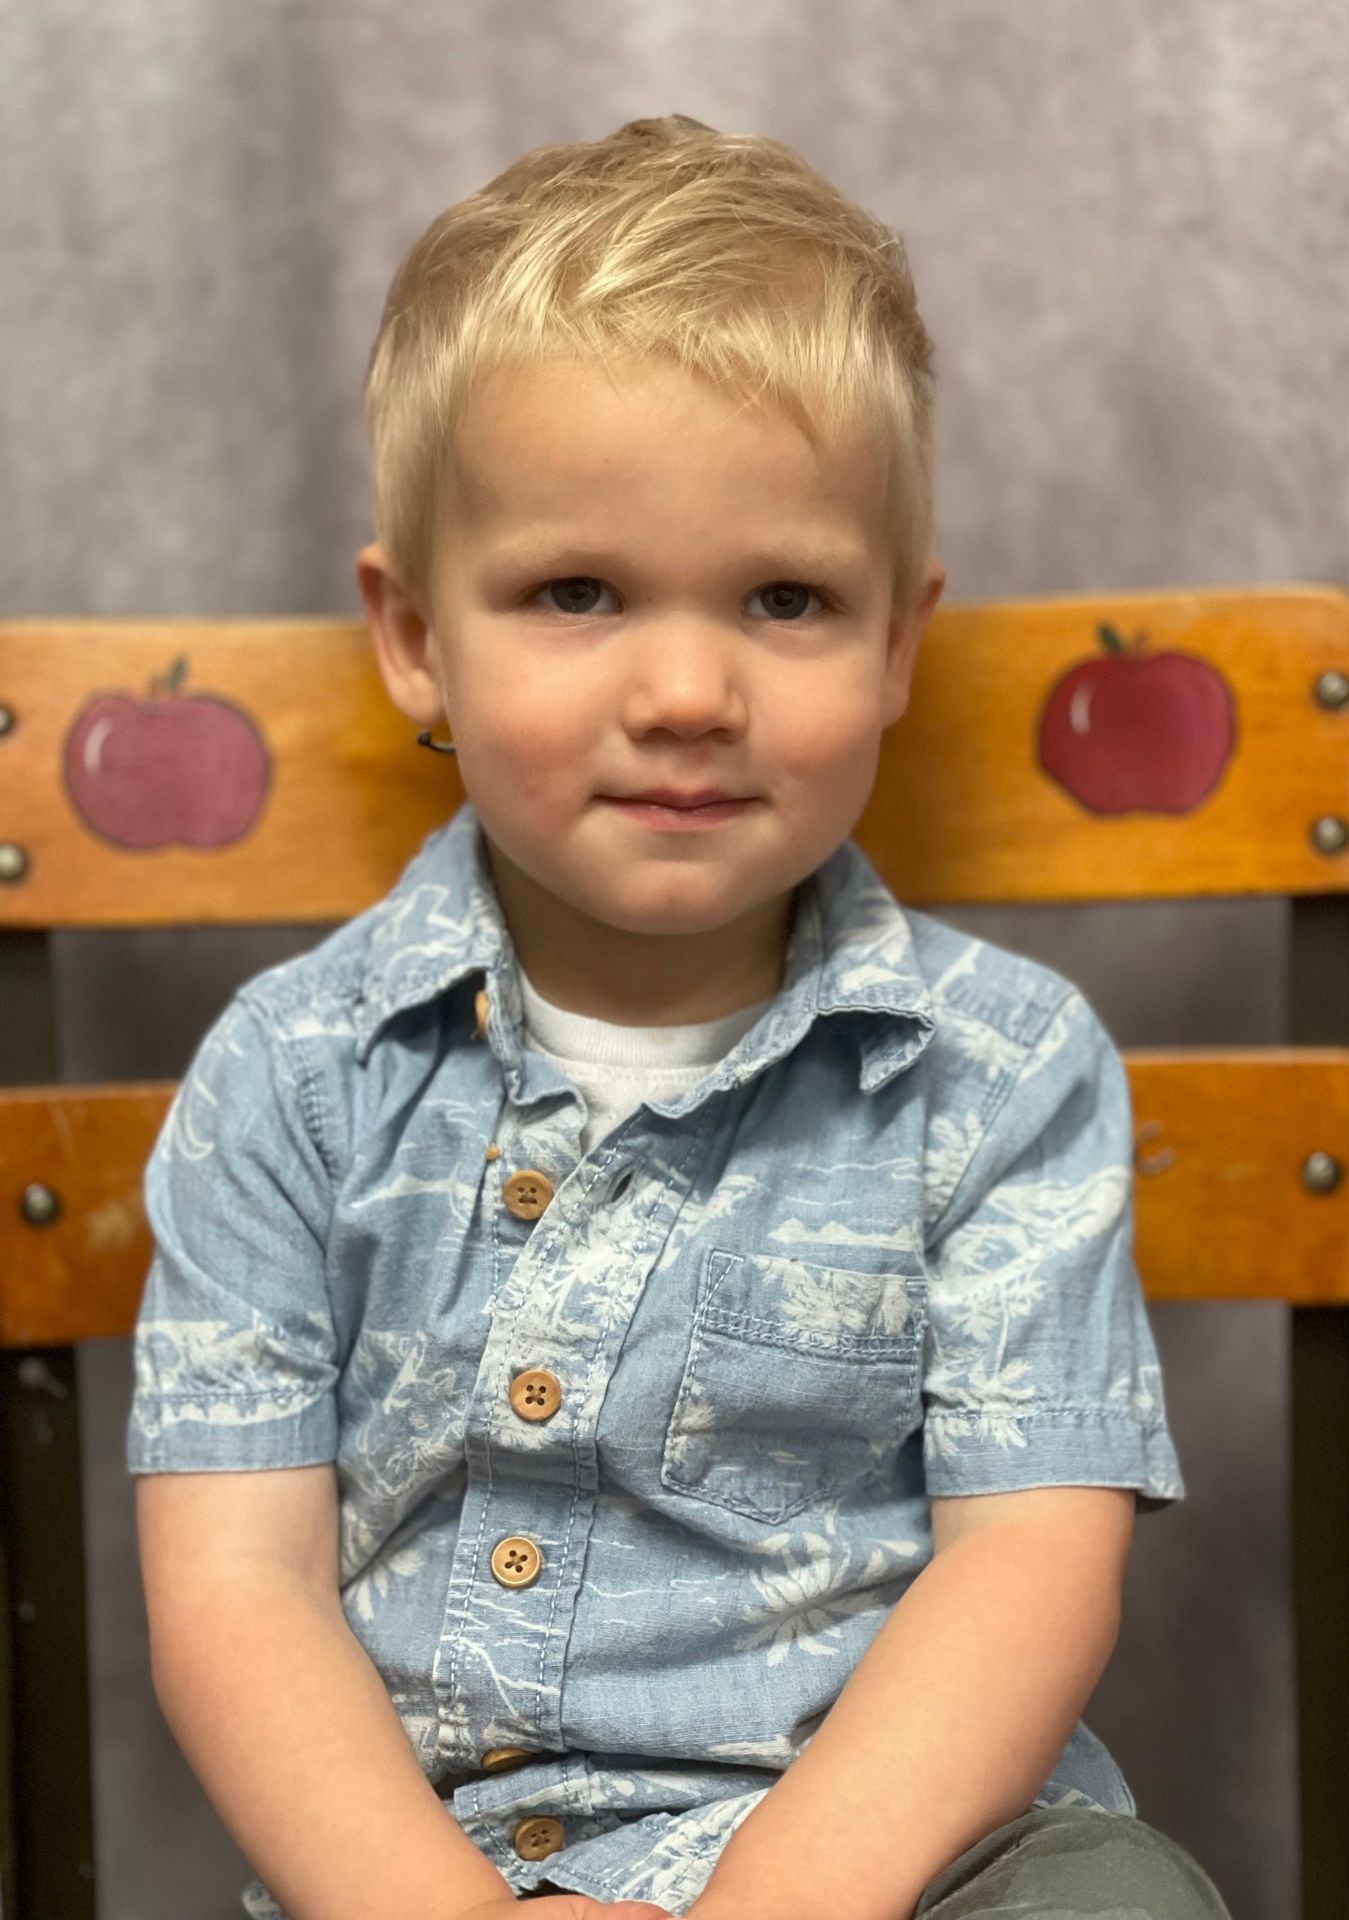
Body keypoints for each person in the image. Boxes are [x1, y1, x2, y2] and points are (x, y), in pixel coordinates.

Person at [127, 114, 1234, 1920]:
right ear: (414, 637)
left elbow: (1029, 1560)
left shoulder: (1003, 1074)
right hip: (420, 1870)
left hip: (893, 1862)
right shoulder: (293, 1079)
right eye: (578, 592)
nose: (690, 690)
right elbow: (234, 1589)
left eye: (787, 599)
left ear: (897, 642)